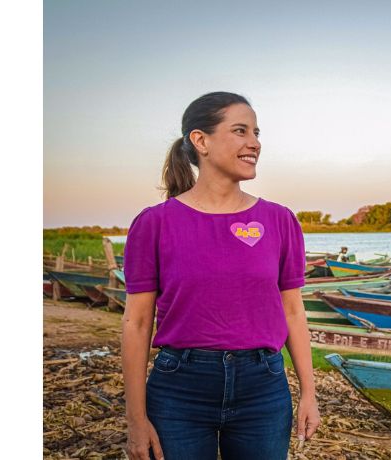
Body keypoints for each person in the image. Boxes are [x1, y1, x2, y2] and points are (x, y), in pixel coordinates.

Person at [121, 91, 320, 460]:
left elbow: (292, 311)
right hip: (179, 391)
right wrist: (136, 420)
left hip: (264, 390)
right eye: (241, 131)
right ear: (201, 141)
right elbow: (137, 322)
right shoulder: (154, 223)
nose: (255, 143)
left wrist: (309, 393)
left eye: (257, 133)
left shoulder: (279, 220)